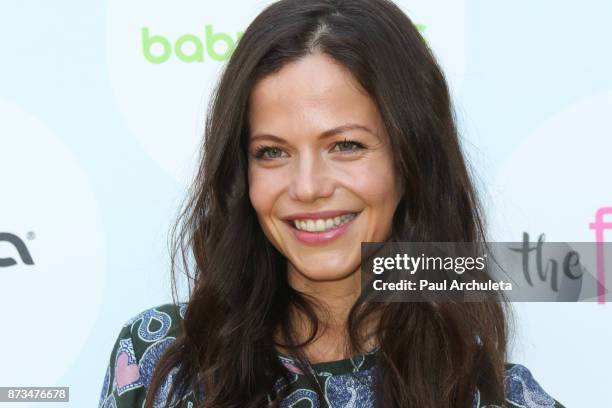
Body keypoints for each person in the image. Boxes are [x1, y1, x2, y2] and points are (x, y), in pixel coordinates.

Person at [98, 0, 565, 407]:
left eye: (345, 145)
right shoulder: (158, 362)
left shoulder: (492, 397)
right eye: (272, 152)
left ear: (411, 160)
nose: (307, 187)